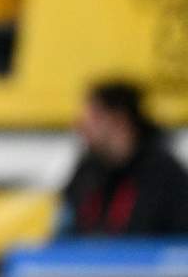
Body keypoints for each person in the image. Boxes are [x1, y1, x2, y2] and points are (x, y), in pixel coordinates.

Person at [59, 80, 188, 236]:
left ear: (120, 120)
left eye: (94, 117)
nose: (81, 125)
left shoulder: (166, 177)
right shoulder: (85, 173)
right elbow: (65, 233)